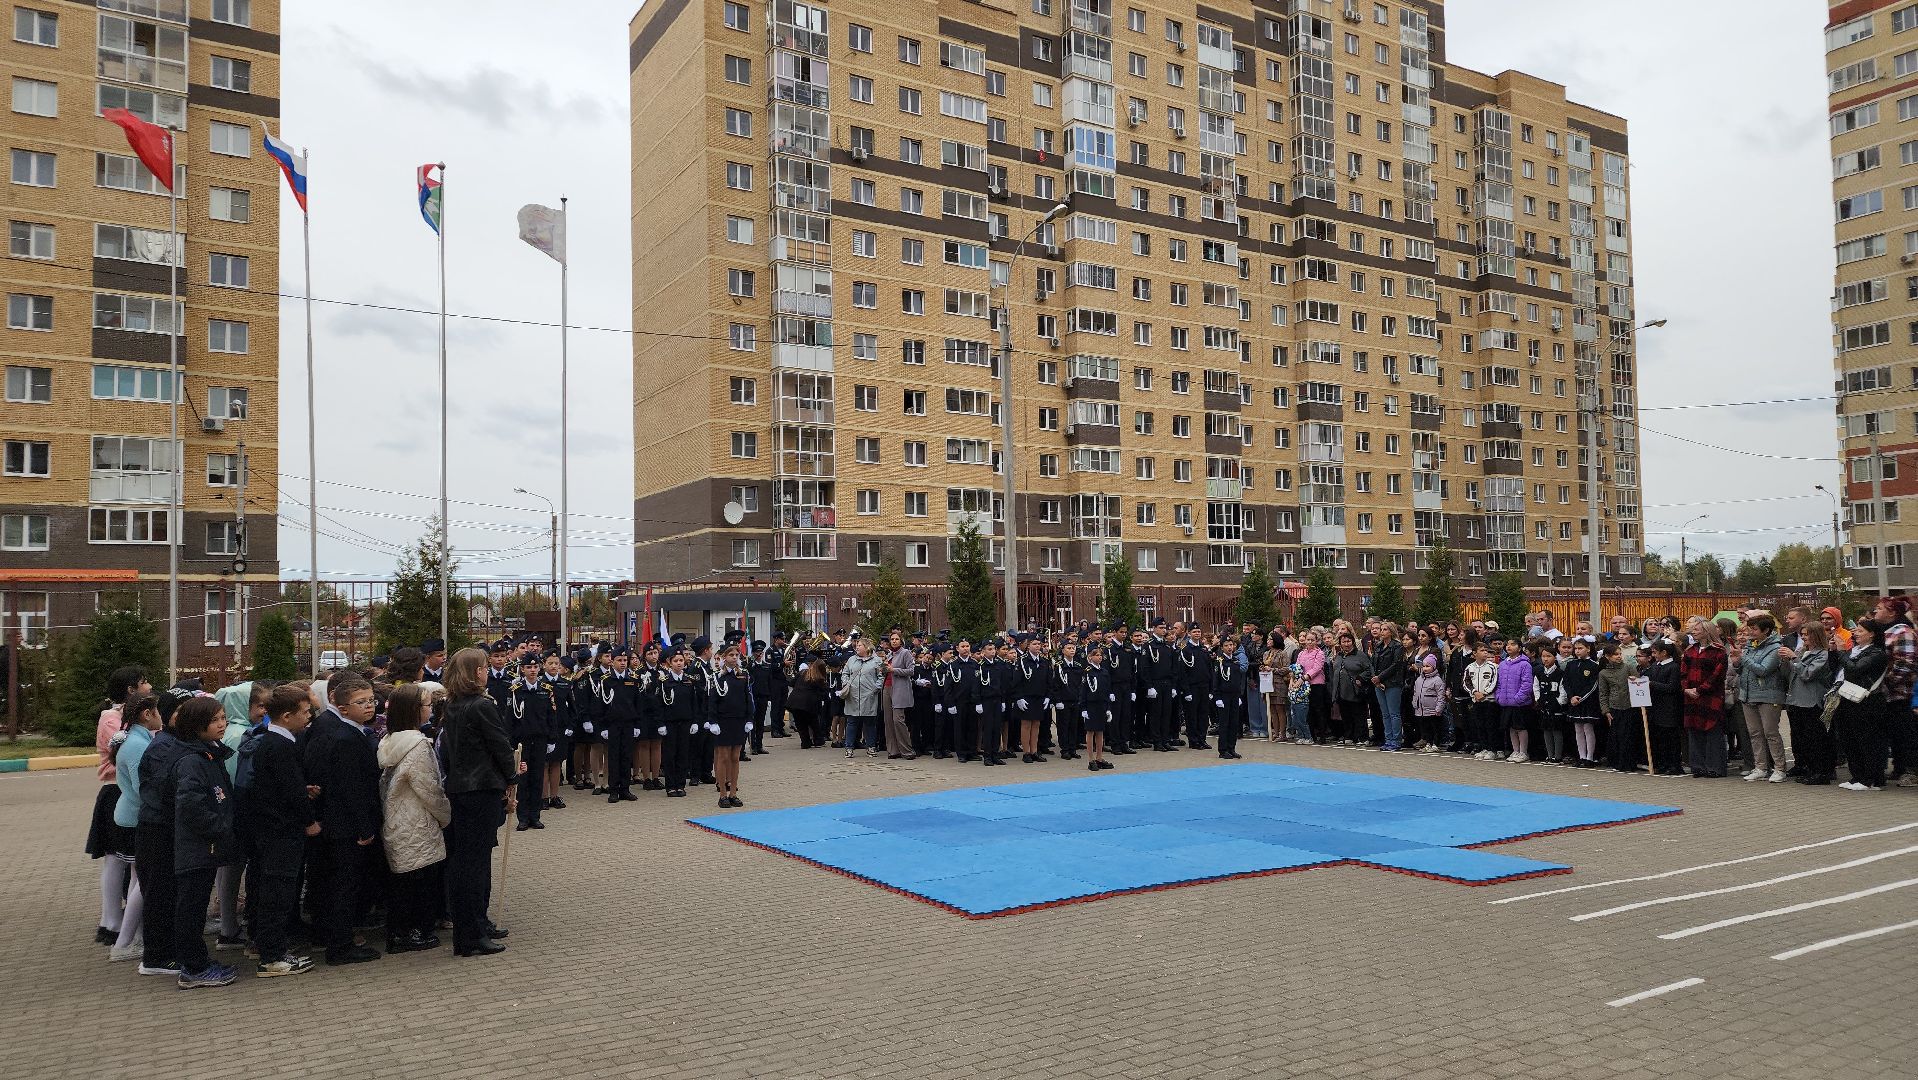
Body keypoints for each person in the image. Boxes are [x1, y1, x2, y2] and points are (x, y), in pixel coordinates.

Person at [234, 684, 319, 978]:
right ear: (286, 715)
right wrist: (309, 820)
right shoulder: (279, 745)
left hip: (274, 828)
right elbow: (289, 792)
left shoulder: (277, 741)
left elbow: (281, 785)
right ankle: (271, 956)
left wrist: (300, 789)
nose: (309, 717)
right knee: (277, 894)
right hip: (280, 832)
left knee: (275, 891)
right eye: (305, 712)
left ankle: (271, 947)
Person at [439, 647, 518, 956]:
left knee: (468, 861)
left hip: (462, 788)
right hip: (480, 788)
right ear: (474, 673)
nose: (487, 672)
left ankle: (473, 926)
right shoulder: (480, 706)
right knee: (472, 864)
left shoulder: (454, 704)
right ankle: (471, 935)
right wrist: (512, 778)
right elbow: (500, 745)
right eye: (483, 667)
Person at [302, 674, 383, 966]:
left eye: (371, 700)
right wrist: (365, 827)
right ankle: (341, 945)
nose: (369, 706)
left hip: (336, 821)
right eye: (361, 702)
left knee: (336, 882)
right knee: (344, 885)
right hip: (345, 826)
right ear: (342, 707)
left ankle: (333, 936)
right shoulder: (346, 738)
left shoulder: (344, 731)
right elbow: (353, 788)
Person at [168, 697, 238, 989]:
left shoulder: (210, 753)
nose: (222, 724)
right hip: (197, 846)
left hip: (207, 843)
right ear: (197, 727)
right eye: (215, 720)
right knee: (191, 907)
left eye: (224, 718)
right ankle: (193, 968)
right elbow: (192, 806)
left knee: (195, 904)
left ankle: (197, 961)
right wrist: (220, 828)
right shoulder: (191, 761)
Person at [377, 683, 450, 955]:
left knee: (402, 878)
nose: (430, 710)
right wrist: (445, 815)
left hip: (395, 817)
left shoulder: (390, 739)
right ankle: (412, 932)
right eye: (427, 705)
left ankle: (399, 931)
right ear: (413, 710)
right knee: (419, 880)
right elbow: (430, 787)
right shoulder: (417, 745)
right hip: (418, 819)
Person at [135, 688, 197, 978]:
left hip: (169, 827)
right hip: (158, 829)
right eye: (183, 712)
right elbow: (164, 793)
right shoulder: (164, 748)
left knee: (170, 892)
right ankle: (157, 957)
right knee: (160, 893)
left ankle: (168, 949)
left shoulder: (178, 742)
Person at [89, 665, 150, 948]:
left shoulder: (118, 717)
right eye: (144, 682)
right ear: (130, 690)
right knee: (115, 858)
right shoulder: (113, 720)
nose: (149, 686)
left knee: (120, 859)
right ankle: (111, 920)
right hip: (117, 791)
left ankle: (115, 920)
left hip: (122, 791)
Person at [105, 695, 160, 963]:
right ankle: (124, 942)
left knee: (138, 881)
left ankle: (134, 938)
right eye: (157, 710)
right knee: (141, 882)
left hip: (130, 815)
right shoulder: (137, 745)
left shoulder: (134, 739)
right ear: (146, 714)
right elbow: (143, 788)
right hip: (135, 818)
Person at [1733, 613, 1790, 783]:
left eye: (1754, 629)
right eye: (1750, 629)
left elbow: (1764, 670)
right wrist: (1737, 663)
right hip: (1748, 694)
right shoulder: (1750, 646)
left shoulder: (1775, 648)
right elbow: (1744, 670)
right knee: (1754, 733)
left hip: (1768, 695)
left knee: (1770, 732)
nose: (1751, 632)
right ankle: (1760, 767)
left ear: (1766, 630)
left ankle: (1780, 768)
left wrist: (1743, 658)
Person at [1835, 619, 1890, 791]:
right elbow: (1840, 669)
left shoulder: (1877, 653)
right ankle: (1857, 776)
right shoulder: (1854, 650)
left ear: (1872, 634)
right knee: (1850, 739)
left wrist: (1842, 652)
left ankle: (1871, 778)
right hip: (1848, 699)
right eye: (1855, 630)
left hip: (1868, 701)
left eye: (1860, 630)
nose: (1855, 633)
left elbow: (1855, 669)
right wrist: (1834, 652)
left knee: (1867, 741)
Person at [1786, 623, 1838, 786]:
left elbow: (1807, 674)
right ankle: (1809, 768)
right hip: (1796, 700)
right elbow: (1790, 674)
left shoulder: (1823, 655)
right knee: (1802, 738)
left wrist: (1794, 659)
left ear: (1816, 635)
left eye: (1807, 634)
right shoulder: (1802, 652)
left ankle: (1821, 771)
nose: (1803, 637)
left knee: (1816, 739)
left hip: (1812, 701)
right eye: (1802, 634)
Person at [508, 655, 557, 829]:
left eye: (535, 667)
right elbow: (510, 719)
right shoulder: (515, 690)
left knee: (537, 777)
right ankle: (522, 817)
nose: (532, 670)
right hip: (522, 741)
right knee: (523, 779)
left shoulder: (546, 689)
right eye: (529, 667)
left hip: (540, 739)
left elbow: (551, 716)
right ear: (522, 669)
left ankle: (535, 816)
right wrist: (511, 742)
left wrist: (552, 738)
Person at [1680, 622, 1731, 779]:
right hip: (1691, 697)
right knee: (1694, 730)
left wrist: (1700, 689)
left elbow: (1717, 675)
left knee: (1712, 732)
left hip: (1711, 696)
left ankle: (1714, 767)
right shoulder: (1690, 651)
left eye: (1697, 629)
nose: (1693, 632)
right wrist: (1686, 689)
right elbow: (1683, 672)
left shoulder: (1719, 651)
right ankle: (1698, 767)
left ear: (1706, 631)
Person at [708, 643, 753, 807]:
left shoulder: (743, 675)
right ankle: (722, 794)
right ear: (724, 657)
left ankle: (733, 793)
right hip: (723, 721)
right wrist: (712, 721)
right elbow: (712, 701)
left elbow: (748, 698)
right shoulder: (716, 676)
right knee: (723, 757)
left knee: (735, 757)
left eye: (736, 655)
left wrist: (749, 718)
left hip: (738, 720)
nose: (734, 658)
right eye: (731, 655)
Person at [839, 635, 885, 759]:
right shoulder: (851, 660)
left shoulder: (876, 661)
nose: (856, 647)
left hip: (868, 696)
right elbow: (845, 673)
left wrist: (876, 688)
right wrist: (846, 683)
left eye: (859, 645)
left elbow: (881, 676)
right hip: (853, 696)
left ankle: (871, 746)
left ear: (866, 647)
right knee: (852, 722)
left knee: (869, 723)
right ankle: (849, 748)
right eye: (856, 645)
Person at [1495, 637, 1536, 764]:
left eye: (1513, 644)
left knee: (1520, 727)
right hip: (1506, 702)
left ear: (1519, 648)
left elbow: (1527, 684)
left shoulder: (1525, 664)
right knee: (1511, 728)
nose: (1509, 647)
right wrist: (1499, 696)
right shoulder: (1502, 664)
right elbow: (1499, 683)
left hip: (1520, 703)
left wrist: (1518, 698)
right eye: (1507, 644)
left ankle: (1523, 751)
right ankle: (1515, 750)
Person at [1330, 631, 1374, 747]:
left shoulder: (1360, 655)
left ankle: (1362, 737)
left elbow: (1369, 670)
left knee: (1359, 715)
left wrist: (1360, 678)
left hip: (1355, 690)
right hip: (1341, 691)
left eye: (1348, 641)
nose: (1346, 644)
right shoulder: (1338, 656)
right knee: (1346, 715)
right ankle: (1349, 736)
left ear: (1353, 642)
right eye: (1343, 641)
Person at [1080, 642, 1115, 770]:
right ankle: (1091, 759)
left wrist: (1108, 708)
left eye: (1101, 655)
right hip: (1091, 705)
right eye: (1096, 655)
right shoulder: (1088, 671)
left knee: (1100, 731)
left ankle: (1099, 758)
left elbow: (1107, 689)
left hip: (1102, 705)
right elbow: (1083, 691)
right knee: (1090, 732)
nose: (1099, 657)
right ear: (1090, 657)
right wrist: (1083, 708)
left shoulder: (1104, 671)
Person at [883, 631, 917, 760]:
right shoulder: (890, 654)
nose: (894, 641)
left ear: (901, 641)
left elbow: (911, 671)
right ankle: (893, 750)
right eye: (892, 639)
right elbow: (887, 670)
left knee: (898, 720)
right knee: (888, 720)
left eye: (896, 639)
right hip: (887, 687)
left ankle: (907, 750)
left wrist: (894, 670)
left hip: (900, 689)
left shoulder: (905, 653)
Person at [1534, 641, 1568, 765]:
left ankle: (1557, 756)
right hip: (1544, 705)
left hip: (1556, 706)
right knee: (1546, 730)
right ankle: (1549, 755)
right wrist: (1538, 699)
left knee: (1556, 731)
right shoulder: (1539, 672)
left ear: (1555, 657)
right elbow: (1536, 687)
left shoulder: (1560, 673)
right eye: (1543, 656)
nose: (1546, 659)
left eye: (1549, 656)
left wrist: (1559, 702)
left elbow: (1563, 690)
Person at [1411, 655, 1446, 753]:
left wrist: (1439, 708)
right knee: (1426, 728)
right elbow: (1415, 693)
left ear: (1434, 667)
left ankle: (1435, 744)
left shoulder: (1437, 680)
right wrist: (1415, 703)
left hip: (1433, 709)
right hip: (1421, 710)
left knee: (1435, 727)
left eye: (1428, 666)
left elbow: (1441, 695)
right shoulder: (1419, 679)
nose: (1425, 669)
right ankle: (1428, 743)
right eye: (1424, 666)